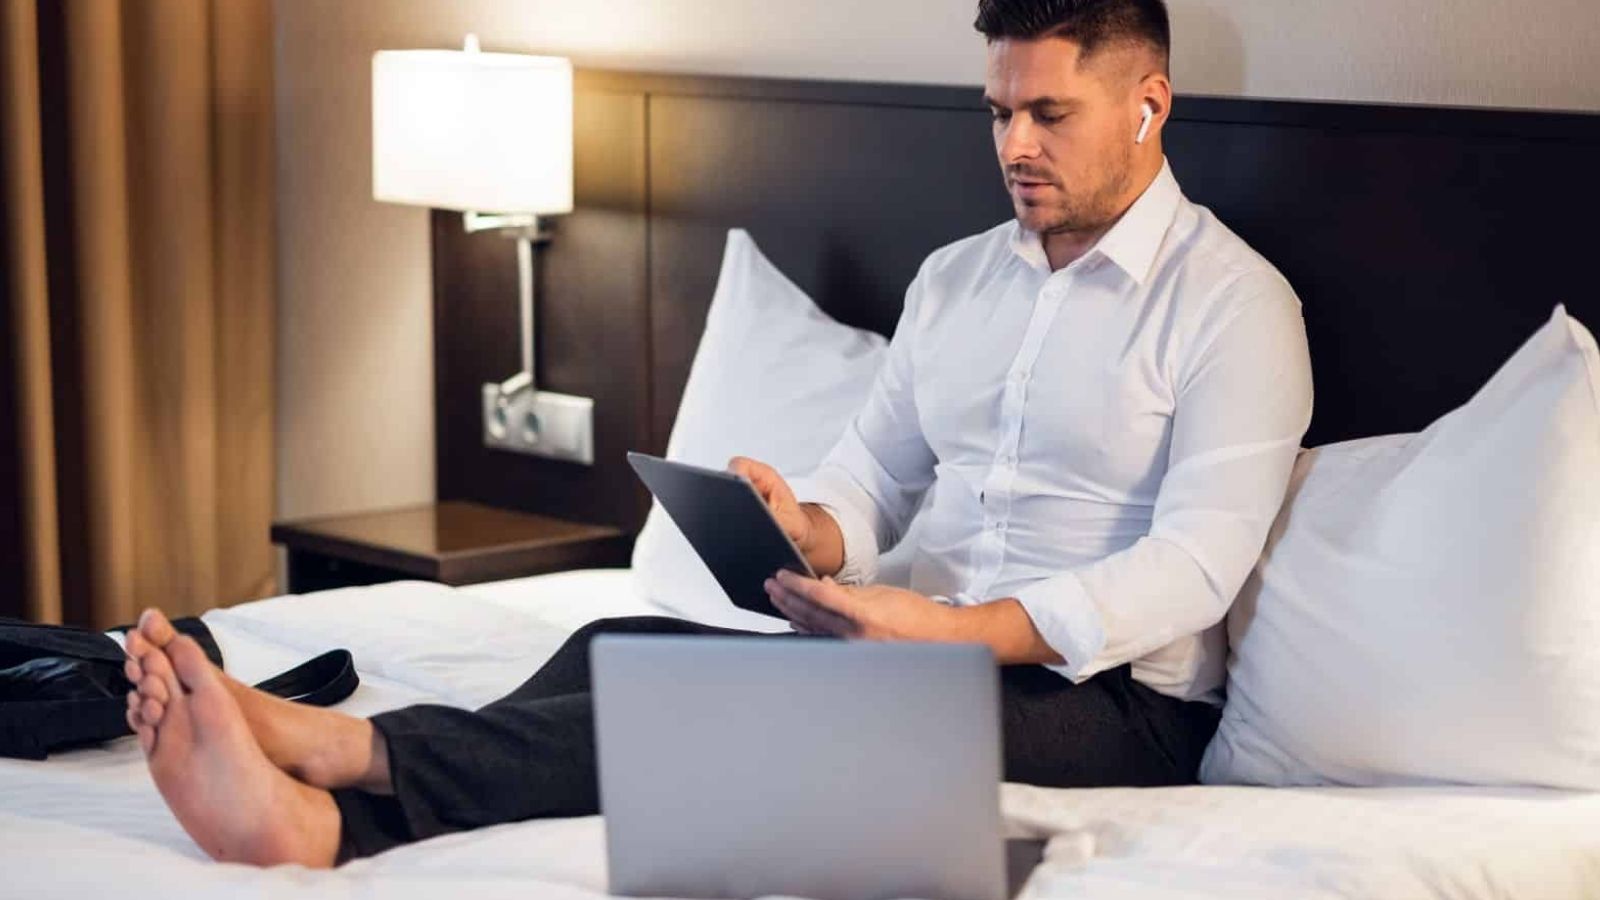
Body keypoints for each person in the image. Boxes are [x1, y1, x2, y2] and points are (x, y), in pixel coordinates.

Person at [121, 0, 1313, 867]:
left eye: (1050, 114)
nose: (1014, 146)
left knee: (748, 698)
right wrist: (809, 530)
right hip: (918, 654)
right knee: (616, 641)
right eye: (998, 112)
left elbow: (1193, 569)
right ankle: (335, 805)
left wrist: (954, 633)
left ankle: (342, 769)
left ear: (1149, 104)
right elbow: (876, 473)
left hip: (1116, 708)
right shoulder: (958, 280)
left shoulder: (1233, 304)